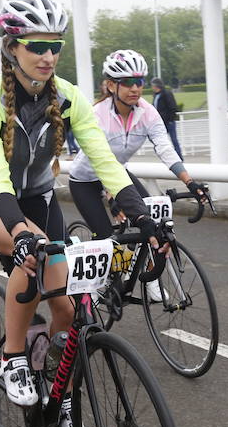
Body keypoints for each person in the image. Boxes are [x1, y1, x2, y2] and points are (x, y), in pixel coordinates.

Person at [0, 0, 157, 427]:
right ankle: (13, 357)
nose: (48, 56)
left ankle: (63, 397)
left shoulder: (68, 98)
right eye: (37, 46)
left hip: (41, 198)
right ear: (12, 48)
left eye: (55, 46)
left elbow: (104, 159)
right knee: (28, 255)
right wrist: (18, 229)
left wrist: (138, 210)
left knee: (67, 305)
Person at [69, 50, 209, 302]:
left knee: (150, 218)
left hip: (118, 174)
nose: (135, 88)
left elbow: (165, 148)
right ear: (112, 85)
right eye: (128, 83)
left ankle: (149, 276)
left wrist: (190, 181)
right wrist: (111, 199)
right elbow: (100, 161)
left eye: (139, 82)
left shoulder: (147, 112)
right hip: (86, 180)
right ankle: (97, 288)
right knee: (106, 239)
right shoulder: (97, 114)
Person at [150, 78, 182, 159]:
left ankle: (179, 157)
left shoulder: (166, 93)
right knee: (159, 140)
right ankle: (167, 157)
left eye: (153, 85)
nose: (152, 87)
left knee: (174, 140)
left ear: (156, 86)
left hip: (168, 122)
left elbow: (172, 107)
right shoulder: (155, 95)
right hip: (160, 123)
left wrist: (170, 119)